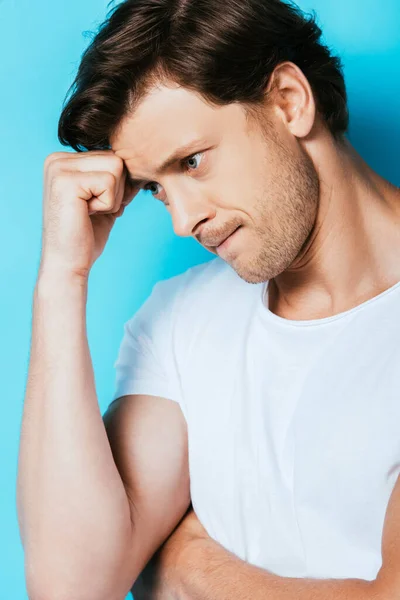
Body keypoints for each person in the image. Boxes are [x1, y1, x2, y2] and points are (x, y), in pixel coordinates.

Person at [17, 0, 400, 599]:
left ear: (289, 101)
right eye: (155, 190)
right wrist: (63, 278)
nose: (184, 220)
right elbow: (71, 586)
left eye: (192, 162)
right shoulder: (178, 319)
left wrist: (188, 564)